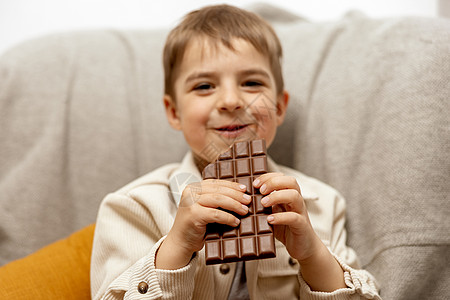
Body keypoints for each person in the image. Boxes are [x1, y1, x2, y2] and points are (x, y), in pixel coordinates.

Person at [90, 4, 381, 300]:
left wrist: (314, 256)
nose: (231, 101)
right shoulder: (132, 207)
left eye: (252, 83)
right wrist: (176, 247)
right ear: (174, 111)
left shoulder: (321, 205)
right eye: (204, 86)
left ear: (279, 107)